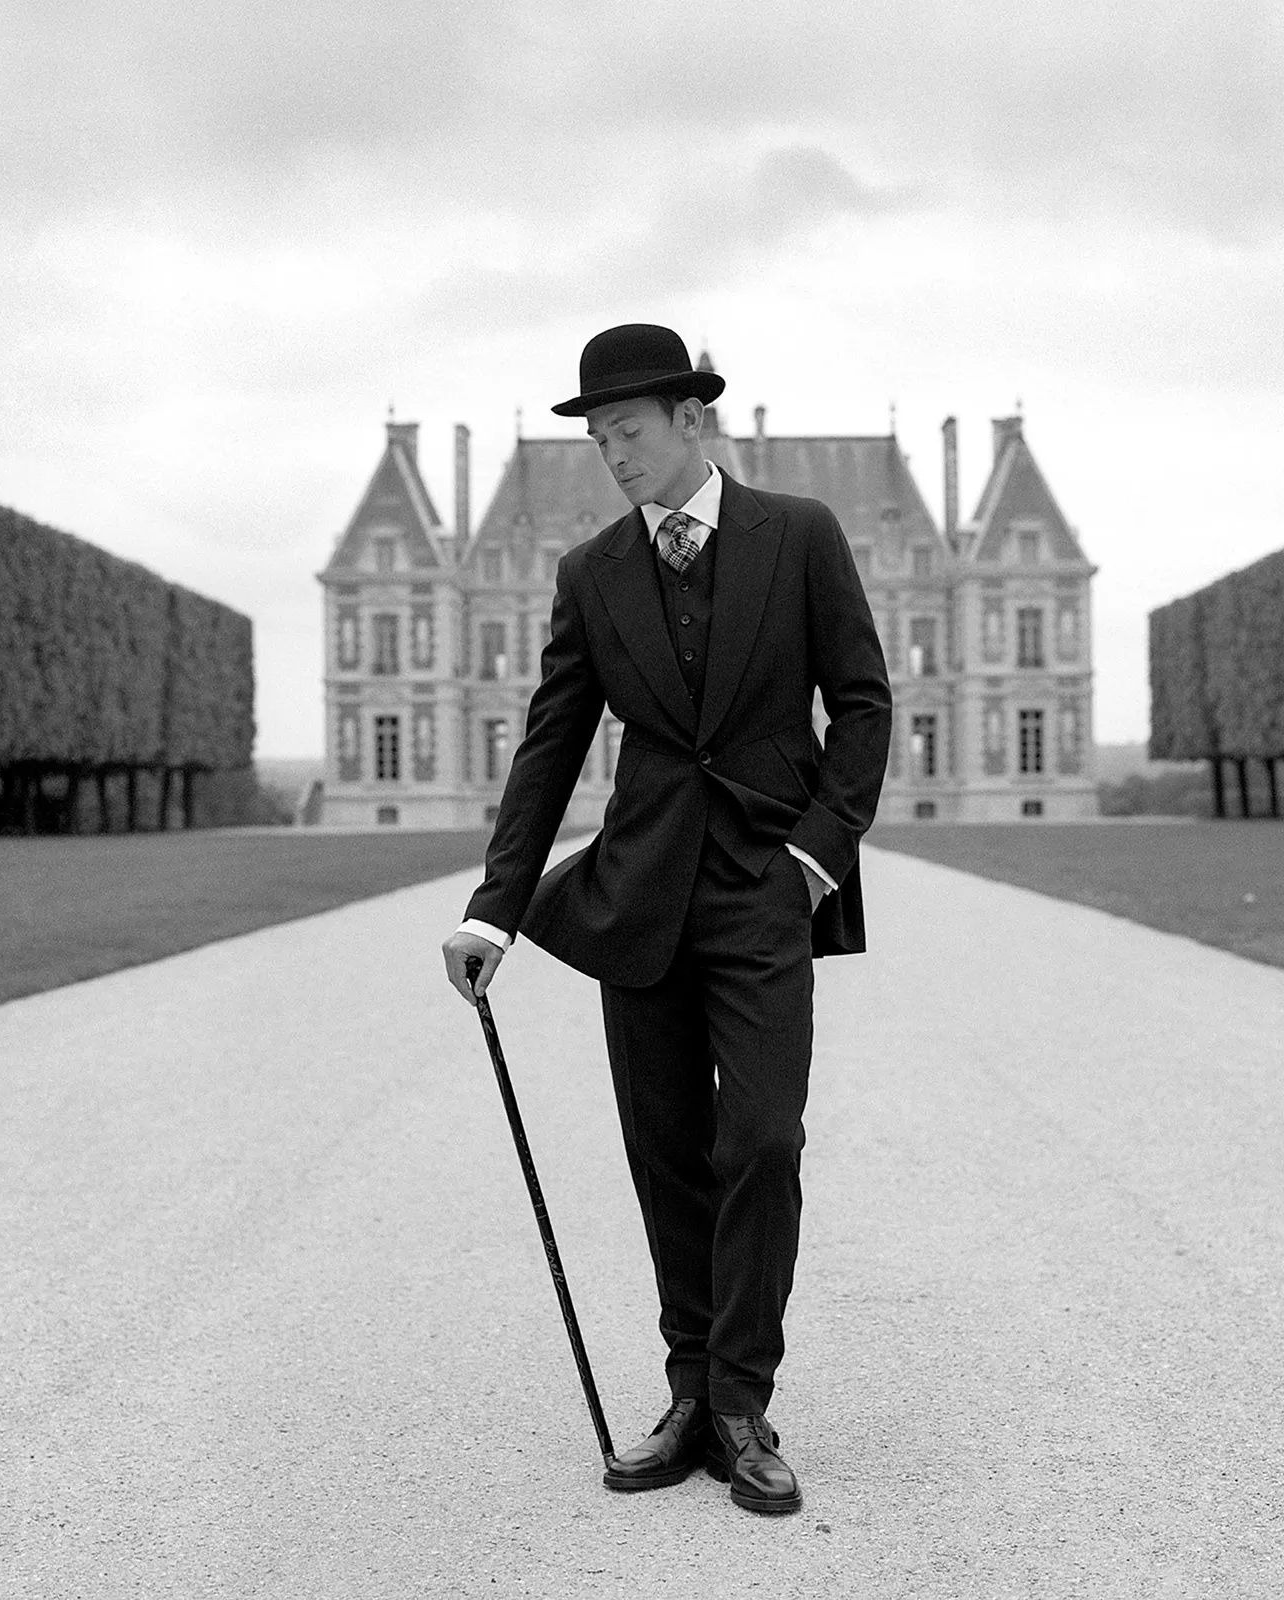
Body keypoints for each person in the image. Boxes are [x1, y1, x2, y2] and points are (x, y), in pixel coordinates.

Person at [442, 323, 891, 1515]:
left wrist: (815, 853)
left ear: (693, 419)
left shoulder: (798, 535)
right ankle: (690, 1393)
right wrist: (494, 910)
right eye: (597, 439)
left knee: (762, 1138)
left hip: (761, 886)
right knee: (664, 1155)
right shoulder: (591, 571)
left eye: (628, 431)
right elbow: (550, 744)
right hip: (640, 891)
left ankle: (745, 1399)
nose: (613, 455)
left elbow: (862, 705)